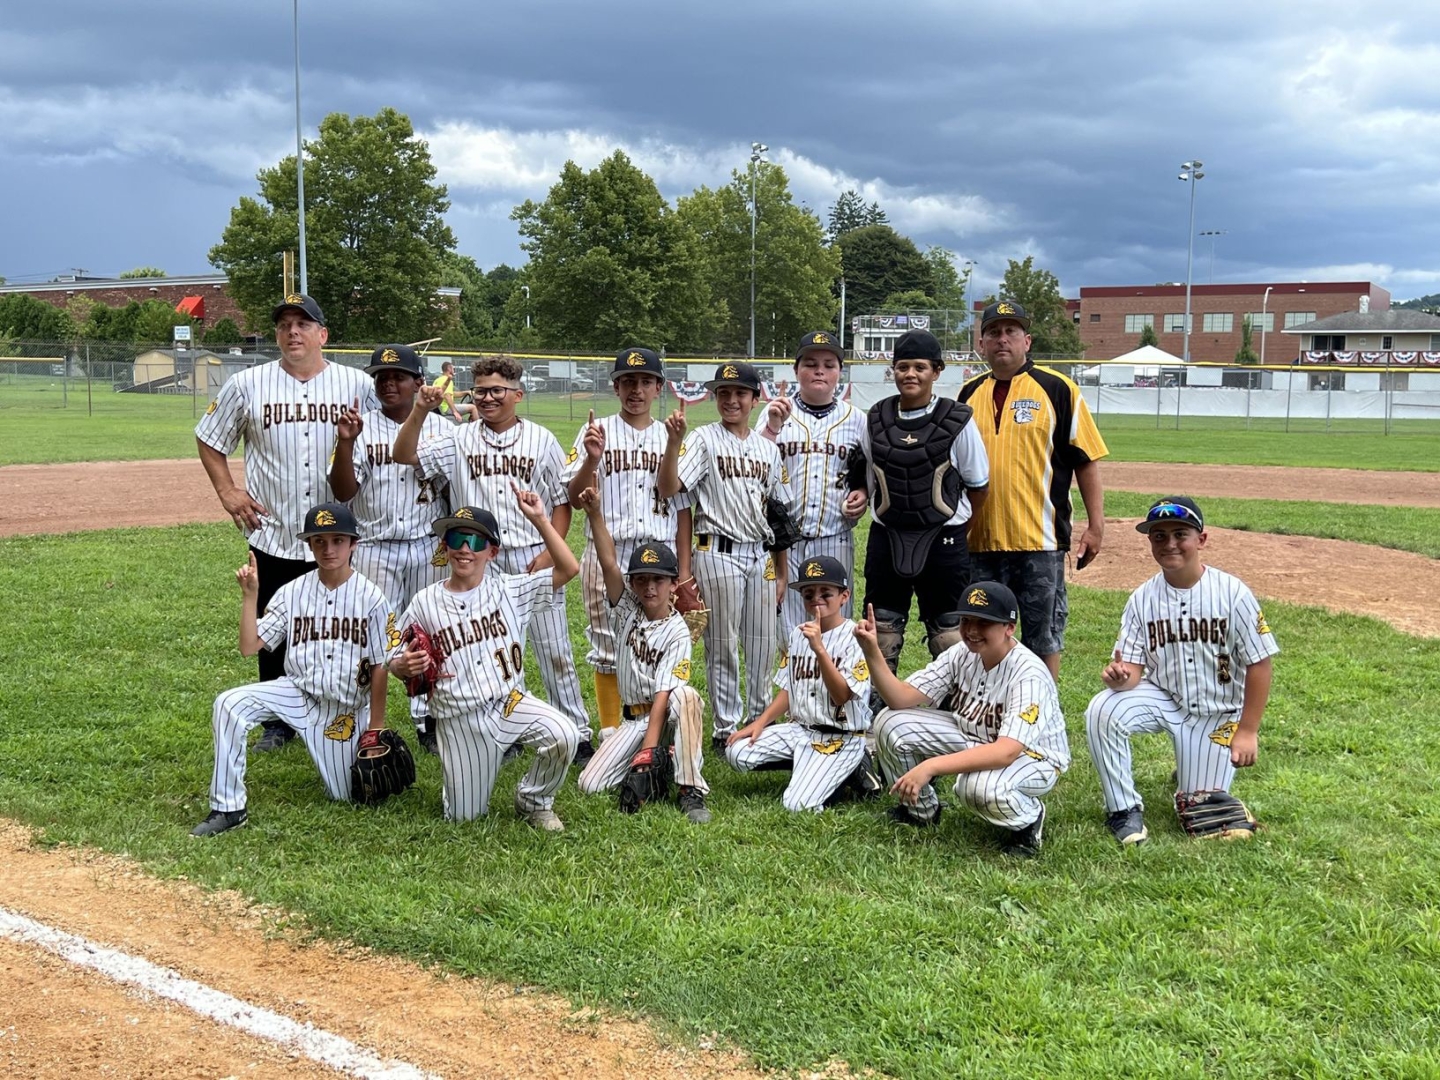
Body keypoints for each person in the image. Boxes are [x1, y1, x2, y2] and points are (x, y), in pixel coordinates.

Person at [196, 293, 379, 753]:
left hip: (336, 535)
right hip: (273, 530)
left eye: (303, 324)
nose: (292, 332)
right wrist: (227, 491)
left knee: (341, 624)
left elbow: (384, 436)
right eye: (284, 325)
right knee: (272, 626)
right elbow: (209, 438)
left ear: (323, 334)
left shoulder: (357, 384)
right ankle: (277, 722)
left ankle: (342, 709)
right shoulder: (247, 384)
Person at [392, 355, 594, 763]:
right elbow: (403, 454)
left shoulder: (542, 440)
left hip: (530, 555)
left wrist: (547, 550)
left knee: (554, 649)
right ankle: (500, 730)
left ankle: (577, 732)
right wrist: (420, 410)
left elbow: (561, 503)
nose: (487, 398)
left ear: (517, 394)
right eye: (481, 390)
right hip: (478, 557)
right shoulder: (458, 438)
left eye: (497, 390)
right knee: (485, 650)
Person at [1085, 497, 1278, 846]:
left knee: (1198, 806)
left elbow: (1260, 663)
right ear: (1150, 541)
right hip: (1164, 698)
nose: (1170, 543)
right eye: (1159, 536)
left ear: (1201, 540)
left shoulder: (1233, 594)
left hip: (1216, 714)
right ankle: (1123, 809)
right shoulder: (1142, 599)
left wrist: (1248, 730)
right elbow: (1132, 670)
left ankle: (1194, 766)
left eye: (1180, 534)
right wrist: (1120, 676)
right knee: (1102, 708)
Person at [191, 502, 392, 837]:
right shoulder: (292, 592)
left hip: (343, 711)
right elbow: (249, 647)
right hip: (296, 693)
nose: (328, 549)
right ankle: (228, 808)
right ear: (309, 545)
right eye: (319, 541)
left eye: (338, 540)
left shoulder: (372, 598)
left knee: (349, 795)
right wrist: (250, 597)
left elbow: (380, 665)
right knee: (228, 703)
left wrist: (376, 729)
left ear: (353, 544)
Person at [387, 491, 581, 829]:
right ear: (445, 546)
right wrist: (401, 666)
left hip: (510, 703)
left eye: (476, 541)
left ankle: (534, 800)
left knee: (564, 733)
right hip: (458, 718)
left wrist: (540, 519)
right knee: (464, 818)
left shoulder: (510, 590)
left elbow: (569, 568)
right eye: (456, 539)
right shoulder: (424, 602)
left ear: (492, 552)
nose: (465, 548)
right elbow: (391, 654)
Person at [856, 581, 1068, 858]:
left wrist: (930, 766)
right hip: (975, 736)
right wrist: (872, 651)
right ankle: (921, 811)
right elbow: (900, 698)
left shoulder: (1028, 674)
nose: (972, 631)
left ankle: (1028, 819)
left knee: (976, 788)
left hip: (1032, 757)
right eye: (966, 620)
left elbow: (1006, 752)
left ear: (1009, 627)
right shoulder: (961, 653)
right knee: (889, 721)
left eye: (984, 623)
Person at [958, 300, 1108, 679]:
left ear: (1027, 341)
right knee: (983, 634)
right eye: (993, 332)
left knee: (1043, 637)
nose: (1002, 339)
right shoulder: (967, 395)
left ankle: (1041, 712)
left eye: (1011, 331)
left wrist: (1096, 526)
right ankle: (991, 706)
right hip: (980, 541)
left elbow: (1085, 460)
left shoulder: (1058, 389)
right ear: (981, 344)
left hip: (1039, 541)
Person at [658, 361, 790, 751]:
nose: (731, 400)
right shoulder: (703, 439)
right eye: (724, 393)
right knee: (723, 643)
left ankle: (761, 719)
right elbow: (669, 489)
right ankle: (725, 727)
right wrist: (673, 444)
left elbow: (778, 516)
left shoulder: (768, 450)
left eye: (740, 393)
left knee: (763, 643)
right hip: (717, 550)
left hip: (761, 555)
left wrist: (782, 571)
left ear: (754, 399)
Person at [843, 328, 989, 675]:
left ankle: (952, 698)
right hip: (887, 535)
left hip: (943, 537)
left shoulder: (957, 420)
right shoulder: (876, 417)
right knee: (881, 628)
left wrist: (959, 530)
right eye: (903, 366)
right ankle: (878, 699)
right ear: (892, 370)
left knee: (949, 632)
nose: (910, 374)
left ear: (936, 371)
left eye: (920, 367)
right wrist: (859, 492)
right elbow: (868, 471)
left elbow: (978, 487)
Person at [328, 344, 451, 754]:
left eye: (398, 376)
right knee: (369, 635)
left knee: (430, 632)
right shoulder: (361, 429)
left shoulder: (445, 430)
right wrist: (346, 443)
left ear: (419, 382)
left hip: (428, 545)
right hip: (375, 546)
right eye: (381, 377)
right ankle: (359, 718)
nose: (388, 383)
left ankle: (428, 718)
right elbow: (343, 491)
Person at [565, 347, 693, 734]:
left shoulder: (673, 435)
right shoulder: (596, 430)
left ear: (658, 388)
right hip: (610, 549)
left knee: (657, 644)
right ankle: (610, 731)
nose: (636, 389)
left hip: (660, 555)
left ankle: (654, 728)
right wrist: (591, 459)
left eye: (645, 382)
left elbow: (681, 507)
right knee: (607, 645)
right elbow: (574, 498)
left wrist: (684, 571)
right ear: (616, 387)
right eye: (628, 382)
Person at [572, 487, 710, 823]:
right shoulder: (627, 608)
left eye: (658, 580)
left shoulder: (678, 631)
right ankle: (665, 759)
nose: (650, 587)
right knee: (589, 784)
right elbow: (608, 562)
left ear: (673, 584)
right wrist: (595, 514)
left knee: (687, 696)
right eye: (642, 580)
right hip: (633, 720)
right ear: (633, 584)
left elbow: (664, 694)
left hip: (665, 716)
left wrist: (646, 754)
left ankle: (689, 788)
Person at [725, 555, 875, 812]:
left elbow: (841, 697)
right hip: (801, 732)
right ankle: (812, 766)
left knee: (798, 805)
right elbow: (788, 689)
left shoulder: (855, 638)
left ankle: (852, 765)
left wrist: (819, 649)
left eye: (826, 593)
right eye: (809, 594)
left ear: (844, 596)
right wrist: (760, 723)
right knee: (736, 752)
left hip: (841, 737)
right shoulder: (798, 633)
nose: (817, 598)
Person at [760, 331, 866, 643]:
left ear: (839, 373)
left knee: (836, 632)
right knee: (788, 633)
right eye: (810, 364)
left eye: (828, 365)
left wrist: (863, 493)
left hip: (835, 537)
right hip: (784, 544)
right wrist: (772, 427)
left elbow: (866, 472)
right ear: (796, 370)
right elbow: (755, 468)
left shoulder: (857, 419)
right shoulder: (775, 412)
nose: (819, 370)